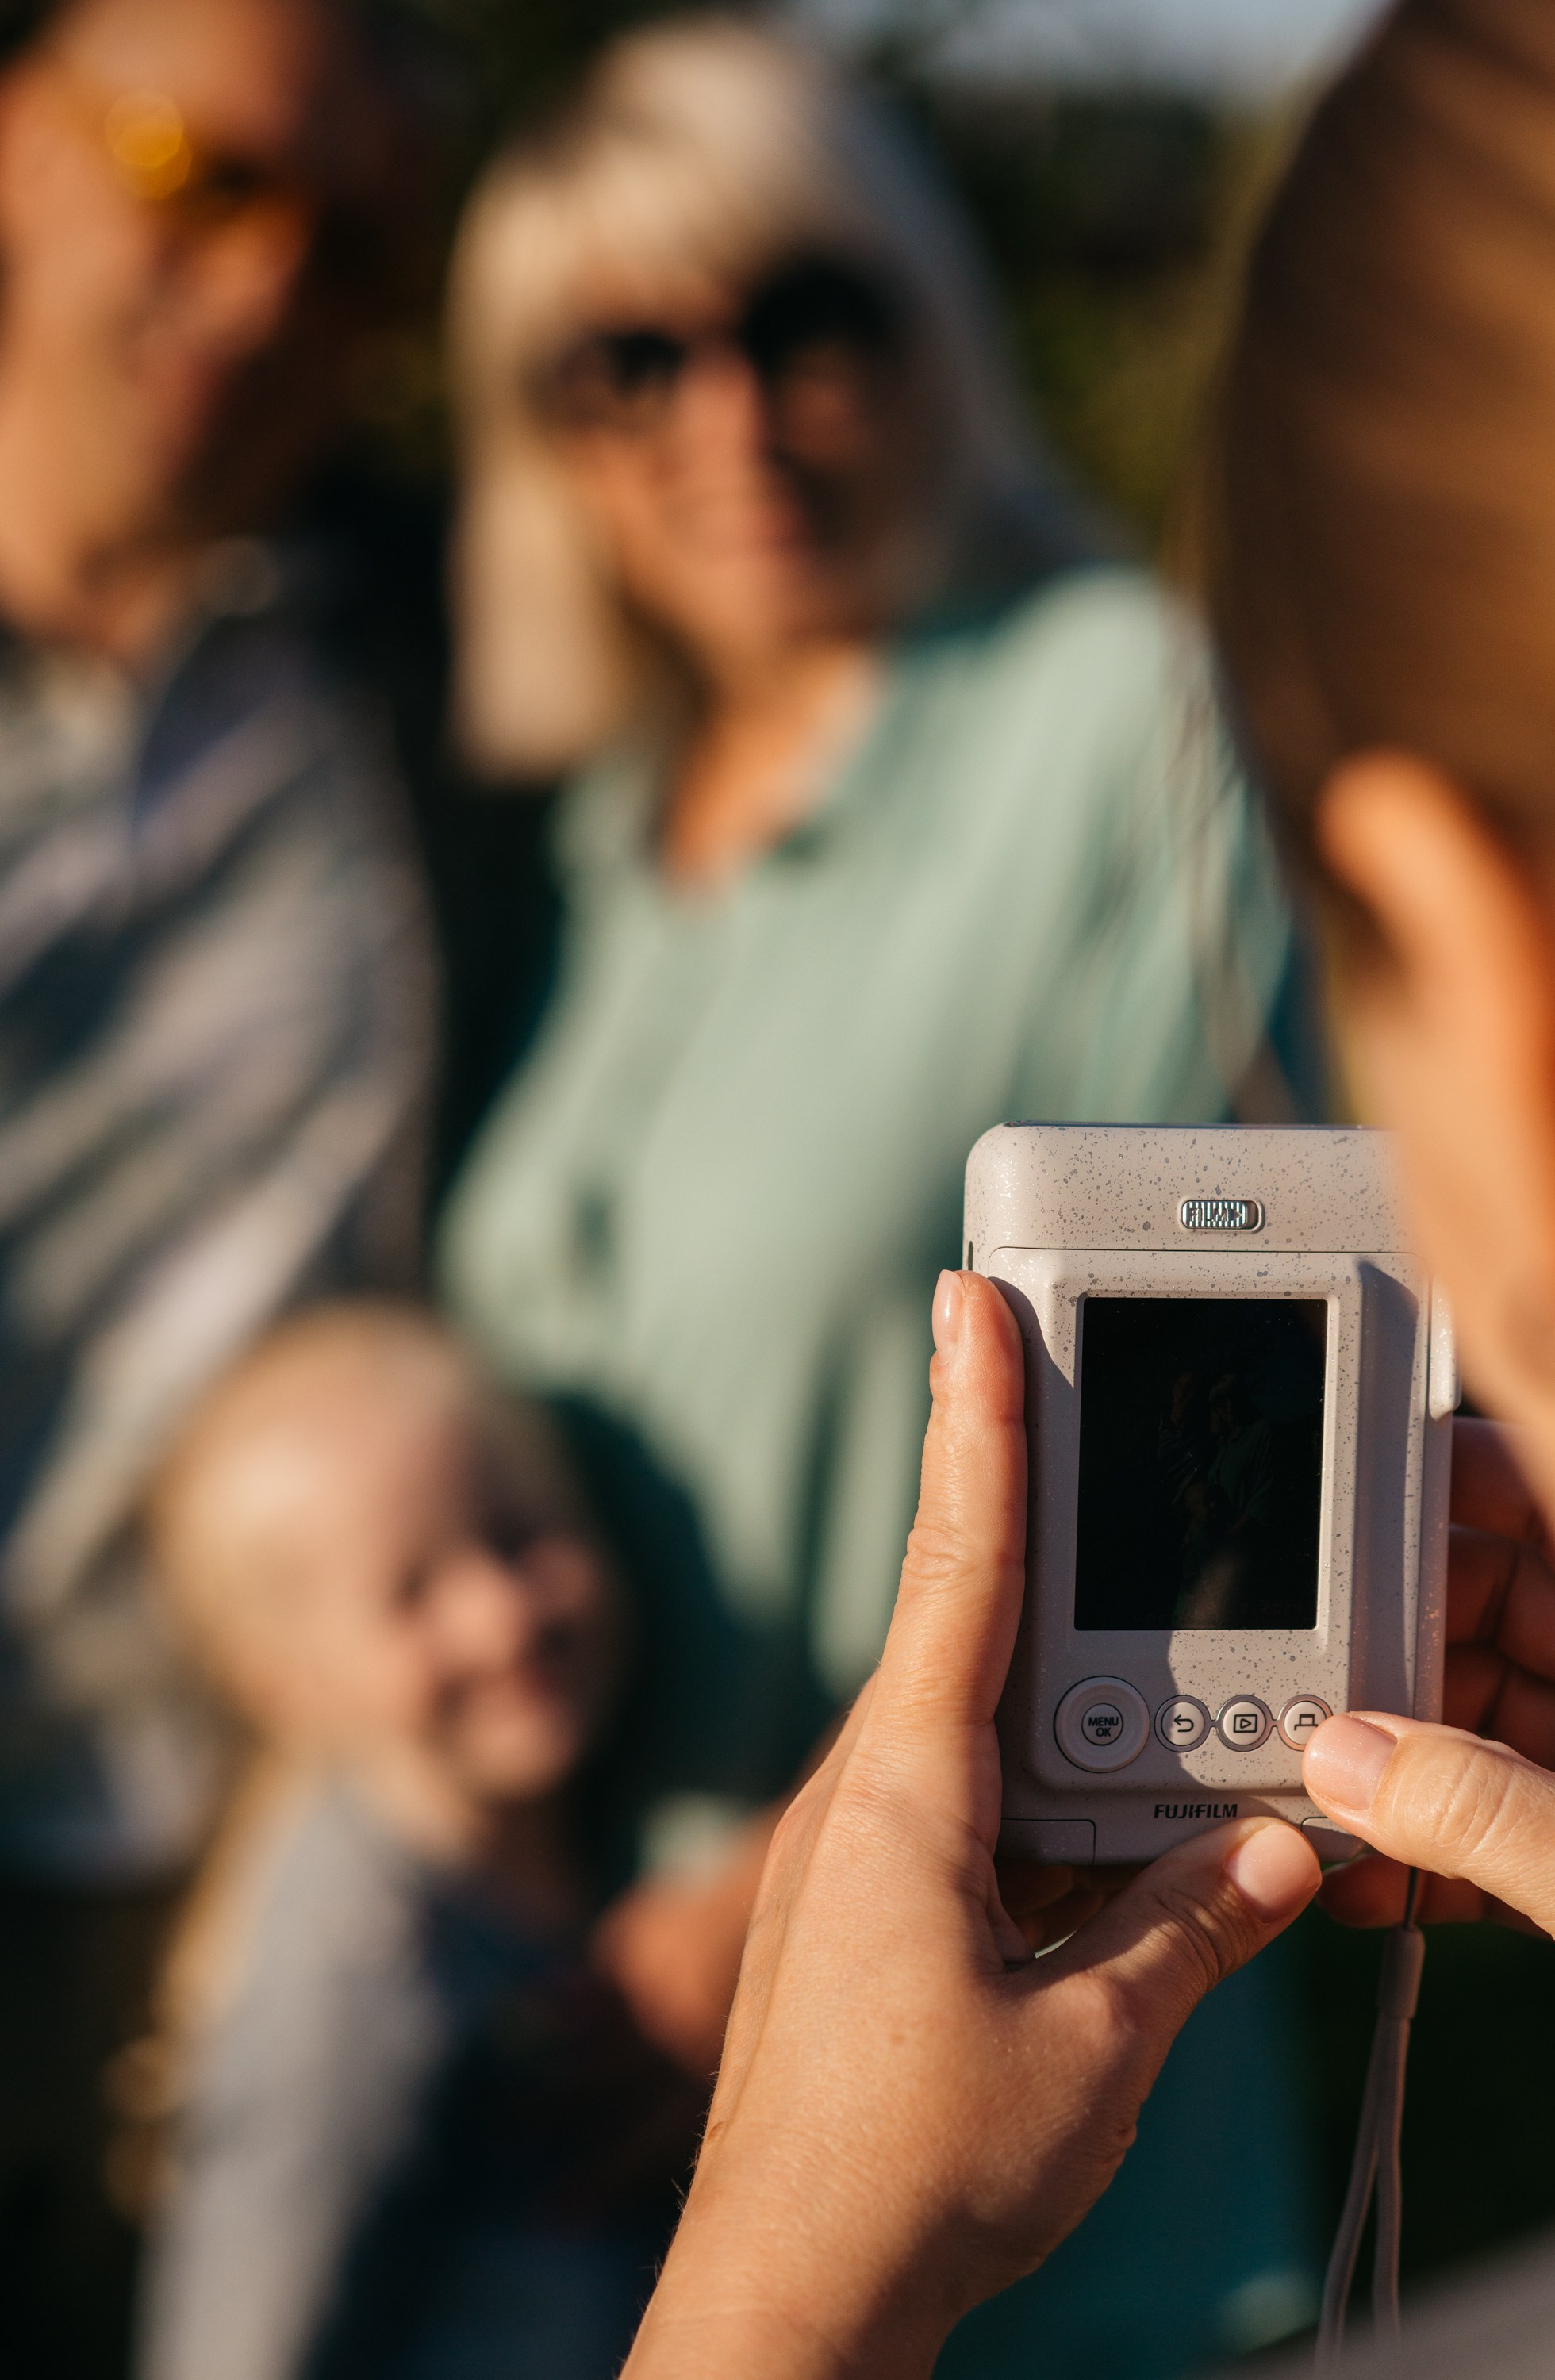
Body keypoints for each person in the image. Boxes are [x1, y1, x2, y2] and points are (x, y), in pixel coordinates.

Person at [596, 0, 1555, 2370]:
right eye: (619, 358)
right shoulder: (604, 831)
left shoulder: (1063, 718)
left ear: (1472, 966)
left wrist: (785, 2274)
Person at [440, 22, 1320, 2366]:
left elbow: (1210, 1457)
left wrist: (764, 1910)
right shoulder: (607, 841)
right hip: (604, 2124)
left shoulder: (1116, 722)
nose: (724, 420)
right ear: (537, 434)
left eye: (797, 320)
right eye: (626, 358)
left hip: (1003, 2082)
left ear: (926, 313)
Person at [0, 0, 449, 2367]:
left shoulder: (420, 662)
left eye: (358, 243)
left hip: (218, 1899)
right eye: (204, 172)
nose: (273, 284)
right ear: (21, 148)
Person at [136, 1304, 701, 2380]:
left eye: (516, 1534)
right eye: (412, 1592)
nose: (499, 1617)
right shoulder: (351, 1974)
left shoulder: (563, 1857)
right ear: (283, 1682)